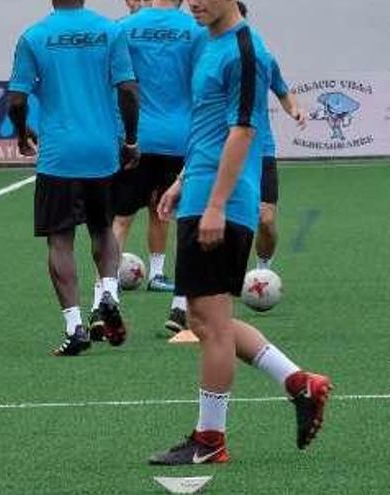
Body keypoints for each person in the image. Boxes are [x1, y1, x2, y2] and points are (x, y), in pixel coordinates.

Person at [150, 0, 331, 465]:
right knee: (206, 318)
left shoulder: (245, 51)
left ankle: (210, 441)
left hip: (224, 202)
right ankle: (299, 382)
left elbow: (243, 132)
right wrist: (183, 180)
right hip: (202, 192)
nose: (193, 1)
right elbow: (206, 125)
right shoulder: (207, 41)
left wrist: (214, 205)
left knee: (209, 324)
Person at [8, 0, 140, 356]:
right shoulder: (111, 30)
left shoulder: (33, 36)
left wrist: (22, 134)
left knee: (60, 242)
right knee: (103, 229)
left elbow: (16, 99)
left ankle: (75, 327)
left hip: (58, 157)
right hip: (101, 152)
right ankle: (109, 294)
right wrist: (130, 140)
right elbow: (128, 90)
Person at [114, 0, 207, 334]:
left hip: (136, 136)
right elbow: (204, 85)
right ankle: (180, 306)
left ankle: (105, 300)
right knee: (178, 215)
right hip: (182, 137)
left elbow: (118, 84)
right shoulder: (196, 29)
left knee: (121, 218)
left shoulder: (123, 28)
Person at [237, 1, 308, 271]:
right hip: (221, 150)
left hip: (260, 150)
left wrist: (295, 109)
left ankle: (262, 270)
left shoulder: (262, 57)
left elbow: (282, 91)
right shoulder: (209, 55)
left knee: (265, 220)